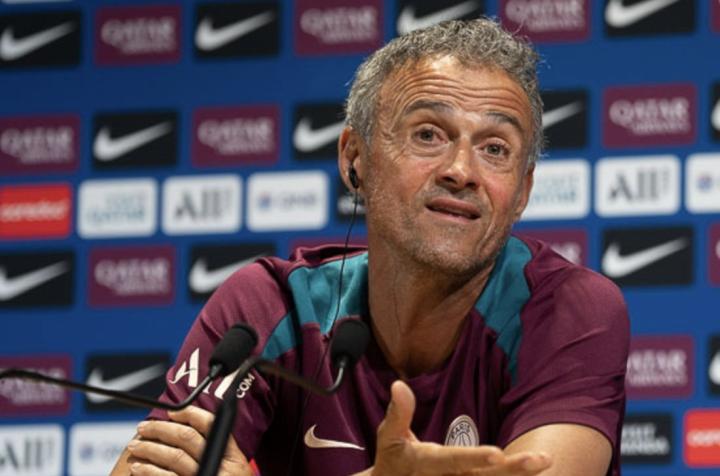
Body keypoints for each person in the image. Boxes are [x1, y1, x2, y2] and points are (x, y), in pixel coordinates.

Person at [111, 17, 629, 476]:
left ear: (523, 191)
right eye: (428, 135)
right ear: (354, 157)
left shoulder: (568, 309)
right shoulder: (269, 308)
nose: (461, 170)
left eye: (495, 148)